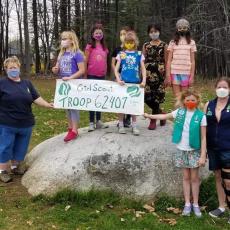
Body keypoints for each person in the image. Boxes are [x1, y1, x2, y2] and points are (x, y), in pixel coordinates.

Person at [144, 89, 206, 217]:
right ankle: (187, 204)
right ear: (183, 101)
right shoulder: (180, 113)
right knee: (186, 177)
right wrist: (150, 116)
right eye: (187, 100)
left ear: (197, 101)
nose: (190, 102)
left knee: (194, 178)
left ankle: (195, 204)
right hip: (181, 149)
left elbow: (204, 137)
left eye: (193, 100)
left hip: (194, 150)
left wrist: (203, 155)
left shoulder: (201, 116)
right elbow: (164, 116)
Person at [0, 56, 53, 183]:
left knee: (21, 147)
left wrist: (47, 104)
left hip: (26, 123)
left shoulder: (26, 83)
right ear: (6, 69)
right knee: (5, 147)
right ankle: (3, 171)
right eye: (10, 68)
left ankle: (16, 167)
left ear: (19, 68)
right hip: (7, 123)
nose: (13, 69)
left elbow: (35, 97)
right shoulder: (2, 83)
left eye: (15, 67)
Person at [204, 77, 230, 223]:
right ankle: (221, 206)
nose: (222, 89)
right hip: (213, 147)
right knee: (218, 177)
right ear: (215, 88)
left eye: (225, 87)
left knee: (229, 181)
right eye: (219, 86)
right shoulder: (209, 104)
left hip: (228, 147)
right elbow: (204, 126)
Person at [52, 31, 85, 142]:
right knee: (67, 107)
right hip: (64, 85)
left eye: (65, 38)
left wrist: (71, 77)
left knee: (73, 107)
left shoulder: (77, 53)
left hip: (74, 84)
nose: (63, 41)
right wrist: (55, 69)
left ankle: (75, 130)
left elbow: (82, 70)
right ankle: (70, 128)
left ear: (72, 40)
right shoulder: (61, 54)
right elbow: (57, 69)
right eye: (62, 39)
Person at [114, 31, 146, 136]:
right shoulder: (121, 54)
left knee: (134, 105)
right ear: (124, 42)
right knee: (121, 105)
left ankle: (134, 125)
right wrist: (118, 79)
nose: (129, 44)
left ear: (135, 42)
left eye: (131, 42)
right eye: (127, 42)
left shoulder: (139, 54)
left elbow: (143, 68)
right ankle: (121, 124)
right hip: (123, 83)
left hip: (135, 84)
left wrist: (144, 80)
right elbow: (116, 68)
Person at [142, 23, 168, 130]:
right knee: (146, 97)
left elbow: (166, 61)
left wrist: (167, 76)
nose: (154, 33)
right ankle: (161, 114)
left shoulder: (164, 45)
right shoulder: (146, 45)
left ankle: (153, 120)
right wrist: (141, 75)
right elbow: (142, 61)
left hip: (160, 74)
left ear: (159, 32)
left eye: (155, 31)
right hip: (147, 74)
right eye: (151, 32)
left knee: (157, 98)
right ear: (149, 33)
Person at [85, 23, 109, 132]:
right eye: (96, 33)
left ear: (103, 34)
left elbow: (105, 61)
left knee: (99, 98)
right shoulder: (89, 46)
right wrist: (85, 75)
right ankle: (91, 122)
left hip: (101, 76)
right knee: (92, 98)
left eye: (100, 33)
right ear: (92, 34)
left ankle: (98, 121)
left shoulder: (105, 47)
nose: (98, 35)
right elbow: (85, 61)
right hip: (91, 75)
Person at [166, 18, 197, 97]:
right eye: (180, 28)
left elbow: (193, 61)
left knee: (185, 97)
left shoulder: (192, 42)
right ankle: (178, 109)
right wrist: (168, 75)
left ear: (188, 29)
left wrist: (192, 76)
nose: (182, 29)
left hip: (186, 73)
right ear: (177, 29)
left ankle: (185, 110)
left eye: (184, 28)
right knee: (177, 97)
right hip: (174, 72)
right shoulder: (172, 42)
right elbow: (169, 60)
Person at [111, 26, 131, 128]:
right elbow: (113, 63)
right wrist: (116, 74)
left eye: (125, 34)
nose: (123, 36)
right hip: (119, 78)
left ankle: (128, 118)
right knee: (120, 98)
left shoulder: (133, 48)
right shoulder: (117, 49)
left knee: (129, 98)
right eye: (121, 34)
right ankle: (121, 120)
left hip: (130, 78)